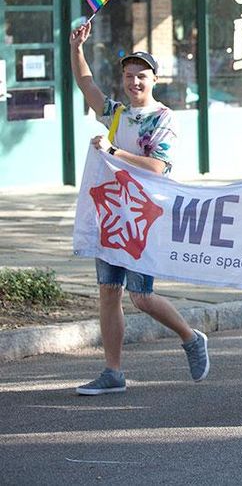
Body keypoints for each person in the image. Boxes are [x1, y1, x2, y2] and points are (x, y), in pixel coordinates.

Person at [69, 21, 209, 395]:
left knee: (141, 296)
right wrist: (77, 48)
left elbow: (160, 166)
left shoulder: (164, 118)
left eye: (142, 76)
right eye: (130, 76)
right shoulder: (116, 114)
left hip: (145, 218)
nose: (135, 83)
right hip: (112, 215)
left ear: (154, 80)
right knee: (108, 292)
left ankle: (191, 337)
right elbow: (86, 85)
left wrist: (114, 152)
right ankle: (112, 372)